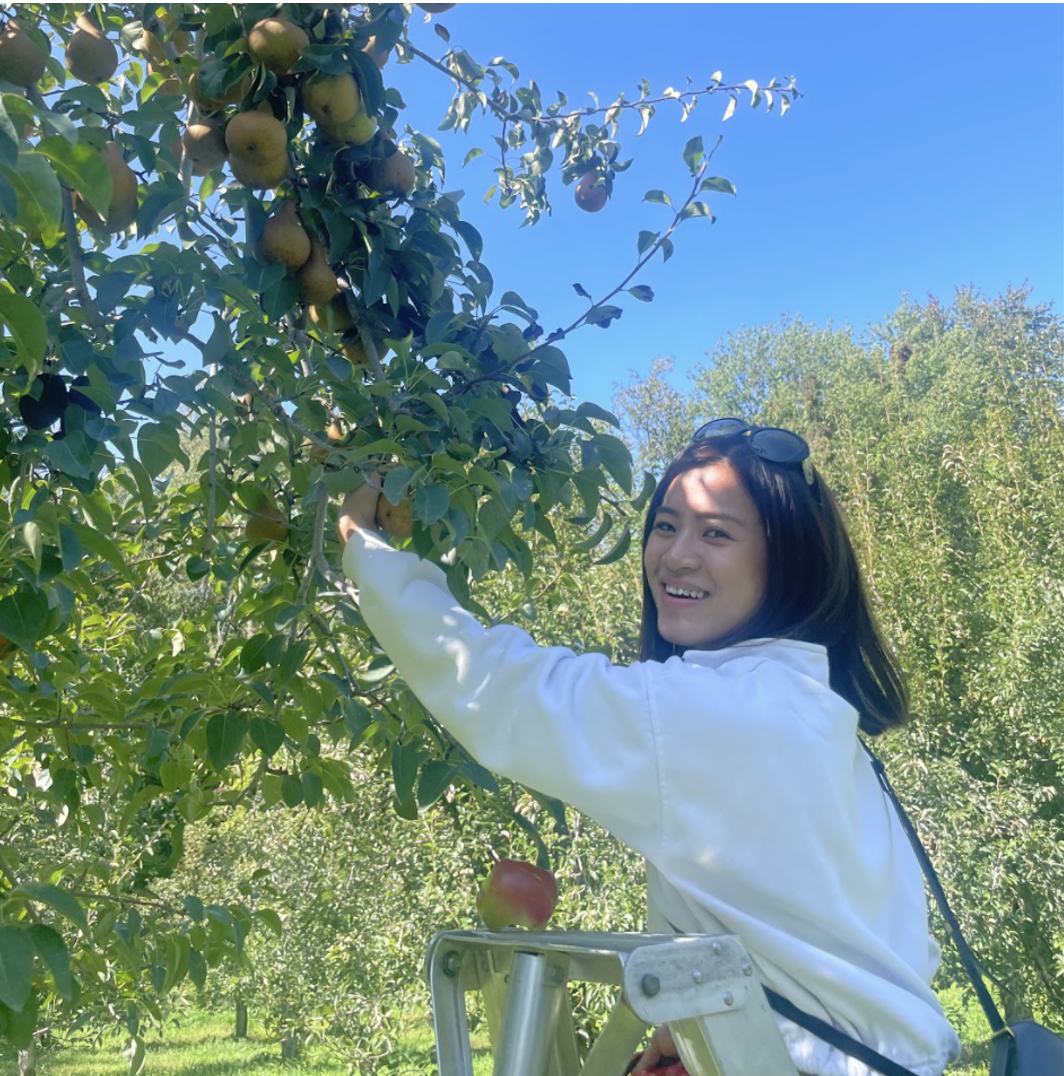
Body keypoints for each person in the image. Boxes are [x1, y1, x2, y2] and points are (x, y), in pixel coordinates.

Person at [336, 418, 960, 1076]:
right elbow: (874, 957)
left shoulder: (715, 714)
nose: (675, 555)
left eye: (716, 533)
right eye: (665, 525)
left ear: (786, 561)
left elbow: (497, 687)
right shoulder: (828, 725)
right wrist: (729, 1027)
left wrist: (366, 547)